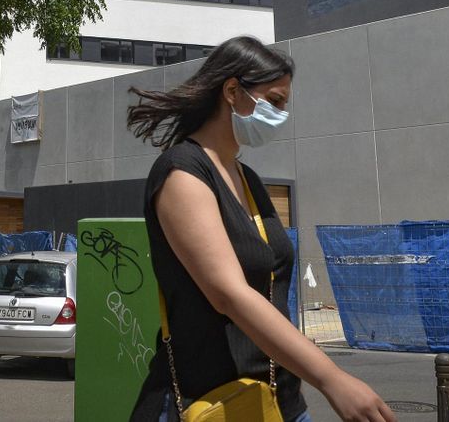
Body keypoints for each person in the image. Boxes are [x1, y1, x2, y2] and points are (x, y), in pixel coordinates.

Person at [125, 37, 396, 422]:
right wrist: (332, 378)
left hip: (277, 402)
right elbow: (230, 295)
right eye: (275, 100)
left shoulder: (247, 178)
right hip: (208, 404)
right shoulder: (182, 173)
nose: (282, 113)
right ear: (232, 91)